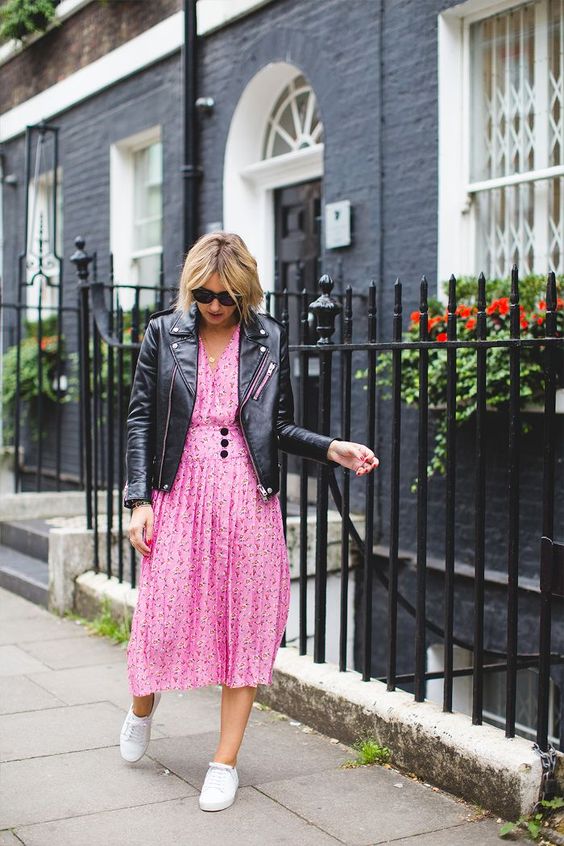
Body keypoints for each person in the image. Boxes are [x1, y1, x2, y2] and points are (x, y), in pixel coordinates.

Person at [119, 231, 379, 812]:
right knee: (160, 617)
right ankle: (141, 707)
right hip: (179, 489)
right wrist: (139, 498)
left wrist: (330, 447)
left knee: (245, 623)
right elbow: (141, 418)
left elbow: (276, 426)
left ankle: (224, 761)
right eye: (205, 296)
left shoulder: (268, 340)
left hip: (246, 495)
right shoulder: (165, 333)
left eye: (226, 298)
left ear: (245, 295)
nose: (214, 307)